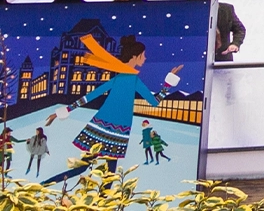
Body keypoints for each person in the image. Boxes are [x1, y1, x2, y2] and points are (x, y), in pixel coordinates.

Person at [38, 33, 182, 182]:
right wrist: (167, 84)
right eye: (143, 55)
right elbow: (154, 101)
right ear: (135, 56)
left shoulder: (123, 78)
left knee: (91, 168)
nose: (145, 58)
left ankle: (46, 184)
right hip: (114, 129)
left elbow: (89, 97)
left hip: (106, 127)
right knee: (106, 172)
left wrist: (63, 111)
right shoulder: (131, 80)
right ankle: (47, 184)